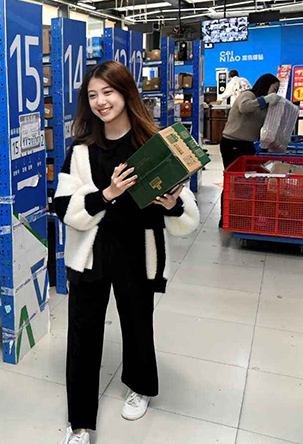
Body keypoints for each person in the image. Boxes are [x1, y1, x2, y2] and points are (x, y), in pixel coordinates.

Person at [54, 61, 200, 444]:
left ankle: (140, 385)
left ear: (126, 93)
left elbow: (188, 214)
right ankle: (79, 423)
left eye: (108, 92)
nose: (101, 101)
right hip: (91, 254)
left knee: (137, 324)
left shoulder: (154, 144)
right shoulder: (81, 150)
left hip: (138, 250)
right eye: (92, 95)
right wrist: (108, 193)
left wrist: (173, 205)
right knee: (82, 336)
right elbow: (63, 207)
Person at [219, 73, 283, 226]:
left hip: (247, 145)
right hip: (232, 143)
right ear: (266, 85)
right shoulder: (248, 95)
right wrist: (265, 99)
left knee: (247, 181)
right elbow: (244, 107)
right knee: (232, 180)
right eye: (273, 88)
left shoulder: (263, 105)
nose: (274, 92)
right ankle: (225, 217)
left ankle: (242, 214)